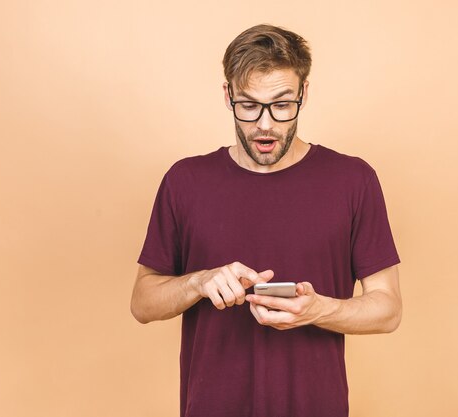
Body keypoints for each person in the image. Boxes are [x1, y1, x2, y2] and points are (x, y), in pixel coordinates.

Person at [131, 24, 402, 417]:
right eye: (248, 105)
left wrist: (317, 310)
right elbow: (142, 303)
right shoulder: (184, 181)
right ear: (227, 96)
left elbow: (389, 309)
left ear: (304, 93)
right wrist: (198, 281)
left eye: (281, 104)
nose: (264, 124)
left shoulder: (353, 179)